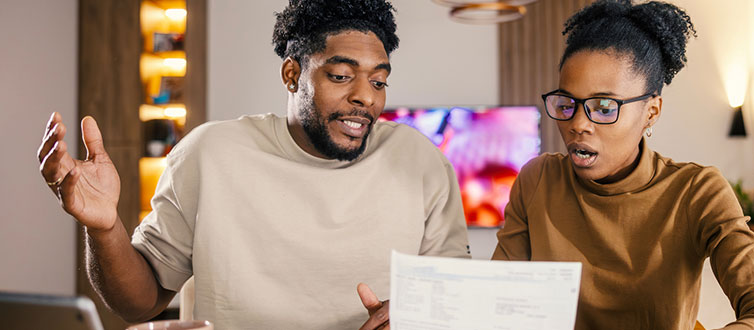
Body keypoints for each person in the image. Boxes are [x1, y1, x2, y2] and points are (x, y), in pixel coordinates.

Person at [35, 0, 470, 329]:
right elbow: (137, 302)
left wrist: (417, 317)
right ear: (291, 74)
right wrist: (104, 226)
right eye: (341, 76)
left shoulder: (422, 163)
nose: (366, 97)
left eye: (379, 81)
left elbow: (457, 302)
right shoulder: (209, 153)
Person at [360, 1, 754, 330]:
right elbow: (499, 301)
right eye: (566, 103)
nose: (577, 124)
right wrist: (422, 311)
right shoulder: (537, 179)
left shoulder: (697, 191)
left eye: (604, 107)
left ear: (652, 112)